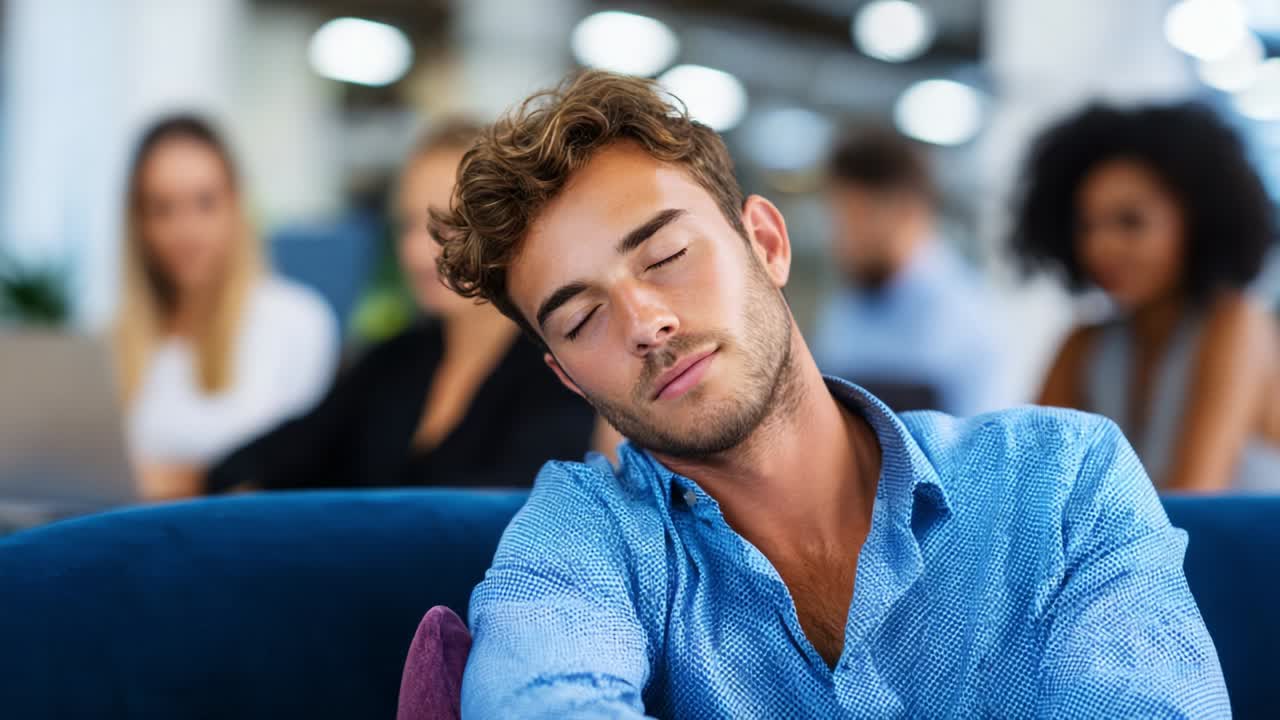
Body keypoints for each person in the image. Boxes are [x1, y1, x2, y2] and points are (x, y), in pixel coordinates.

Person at [424, 71, 1226, 717]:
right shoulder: (582, 537)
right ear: (568, 376)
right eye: (583, 317)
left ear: (766, 244)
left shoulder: (1063, 481)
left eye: (666, 254)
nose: (645, 322)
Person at [205, 121, 595, 492]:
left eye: (446, 225)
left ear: (508, 227)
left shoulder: (559, 374)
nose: (414, 253)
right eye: (408, 226)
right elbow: (257, 463)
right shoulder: (390, 364)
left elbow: (504, 513)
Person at [1012, 102, 1280, 492]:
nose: (1100, 246)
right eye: (1086, 226)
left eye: (1130, 222)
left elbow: (1194, 497)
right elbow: (1034, 487)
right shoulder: (1083, 344)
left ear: (1196, 221)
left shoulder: (1237, 324)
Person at [114, 115, 338, 501]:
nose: (185, 230)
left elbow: (300, 472)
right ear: (139, 222)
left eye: (205, 203)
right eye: (162, 208)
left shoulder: (297, 322)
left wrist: (180, 480)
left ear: (236, 204)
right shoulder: (117, 340)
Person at [813, 127, 1005, 415]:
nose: (842, 237)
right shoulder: (846, 309)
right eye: (838, 217)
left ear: (908, 211)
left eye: (856, 216)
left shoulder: (969, 321)